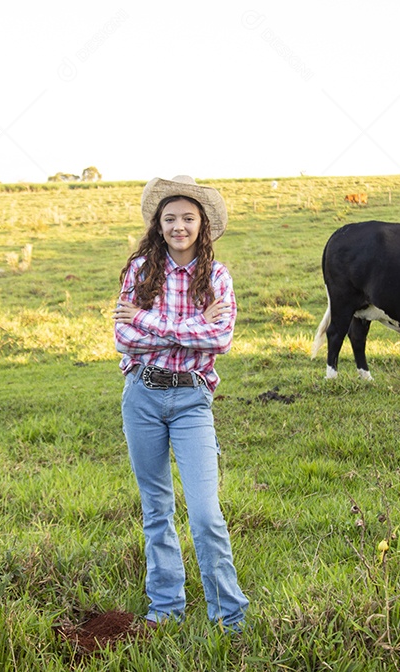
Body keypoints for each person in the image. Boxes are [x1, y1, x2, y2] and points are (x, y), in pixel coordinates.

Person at [112, 175, 249, 632]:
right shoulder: (139, 270)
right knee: (156, 508)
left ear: (203, 224)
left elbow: (221, 337)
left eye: (188, 218)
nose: (179, 226)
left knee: (206, 512)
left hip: (192, 399)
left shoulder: (218, 276)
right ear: (158, 223)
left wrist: (153, 321)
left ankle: (229, 615)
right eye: (169, 218)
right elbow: (123, 337)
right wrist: (190, 324)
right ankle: (165, 608)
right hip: (143, 397)